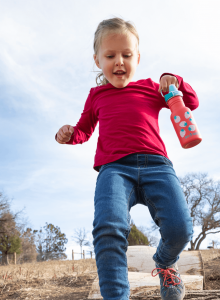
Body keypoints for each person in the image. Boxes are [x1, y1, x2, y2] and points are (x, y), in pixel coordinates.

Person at [55, 17, 198, 300]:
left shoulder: (151, 87)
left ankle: (166, 262)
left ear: (138, 58)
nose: (119, 61)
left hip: (157, 166)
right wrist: (70, 134)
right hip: (114, 170)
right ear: (97, 60)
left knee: (181, 228)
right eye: (110, 55)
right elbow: (84, 130)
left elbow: (190, 102)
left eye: (126, 55)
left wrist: (175, 81)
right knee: (108, 228)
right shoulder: (96, 96)